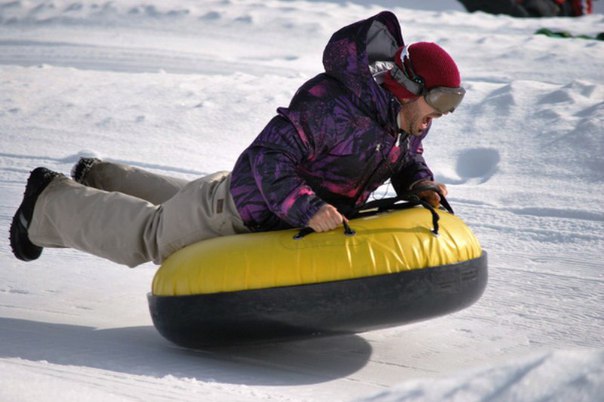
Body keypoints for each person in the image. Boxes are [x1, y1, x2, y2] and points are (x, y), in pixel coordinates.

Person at [9, 11, 465, 268]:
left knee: (190, 201)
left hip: (267, 208)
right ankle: (48, 202)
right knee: (151, 236)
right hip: (242, 210)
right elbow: (267, 157)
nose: (442, 113)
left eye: (453, 102)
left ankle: (100, 176)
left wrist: (419, 183)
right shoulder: (333, 105)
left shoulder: (403, 121)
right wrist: (307, 207)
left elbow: (404, 158)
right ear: (407, 85)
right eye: (440, 99)